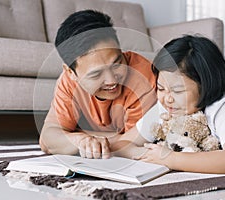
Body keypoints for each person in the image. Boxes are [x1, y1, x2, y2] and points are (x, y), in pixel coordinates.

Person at [121, 35, 225, 174]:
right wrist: (150, 154)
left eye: (178, 90)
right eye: (161, 88)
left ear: (206, 85)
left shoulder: (224, 107)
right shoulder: (168, 105)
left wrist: (170, 158)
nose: (167, 98)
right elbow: (123, 144)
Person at [39, 10, 157, 159]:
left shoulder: (143, 77)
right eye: (96, 74)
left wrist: (71, 136)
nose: (112, 81)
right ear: (71, 73)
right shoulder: (68, 80)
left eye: (117, 63)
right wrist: (81, 140)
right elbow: (47, 139)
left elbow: (131, 145)